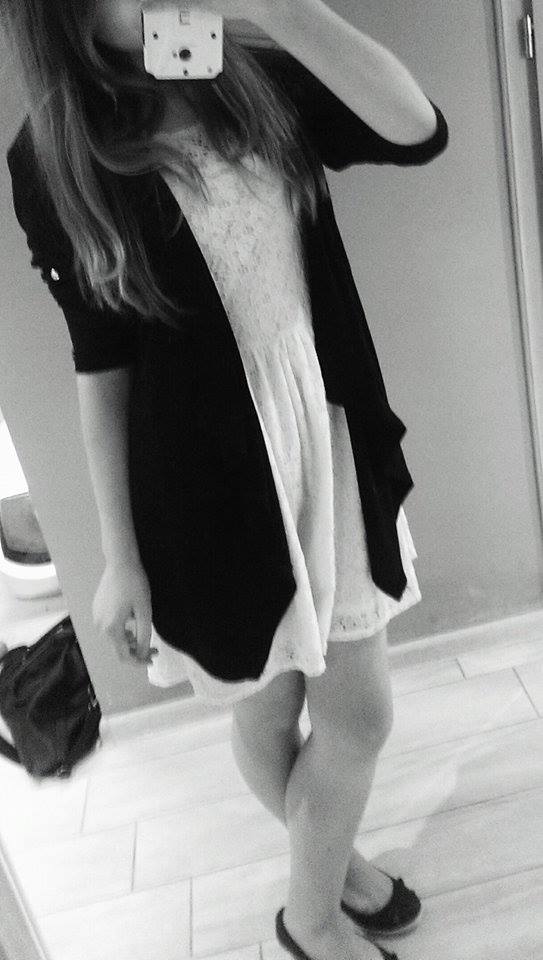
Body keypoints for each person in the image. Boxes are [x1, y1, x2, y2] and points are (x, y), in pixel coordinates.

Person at [3, 1, 449, 958]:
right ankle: (317, 904)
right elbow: (100, 363)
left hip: (322, 435)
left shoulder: (244, 72)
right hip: (202, 487)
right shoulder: (55, 154)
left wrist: (286, 10)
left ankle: (312, 891)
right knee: (269, 701)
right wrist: (120, 556)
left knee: (357, 715)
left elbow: (415, 128)